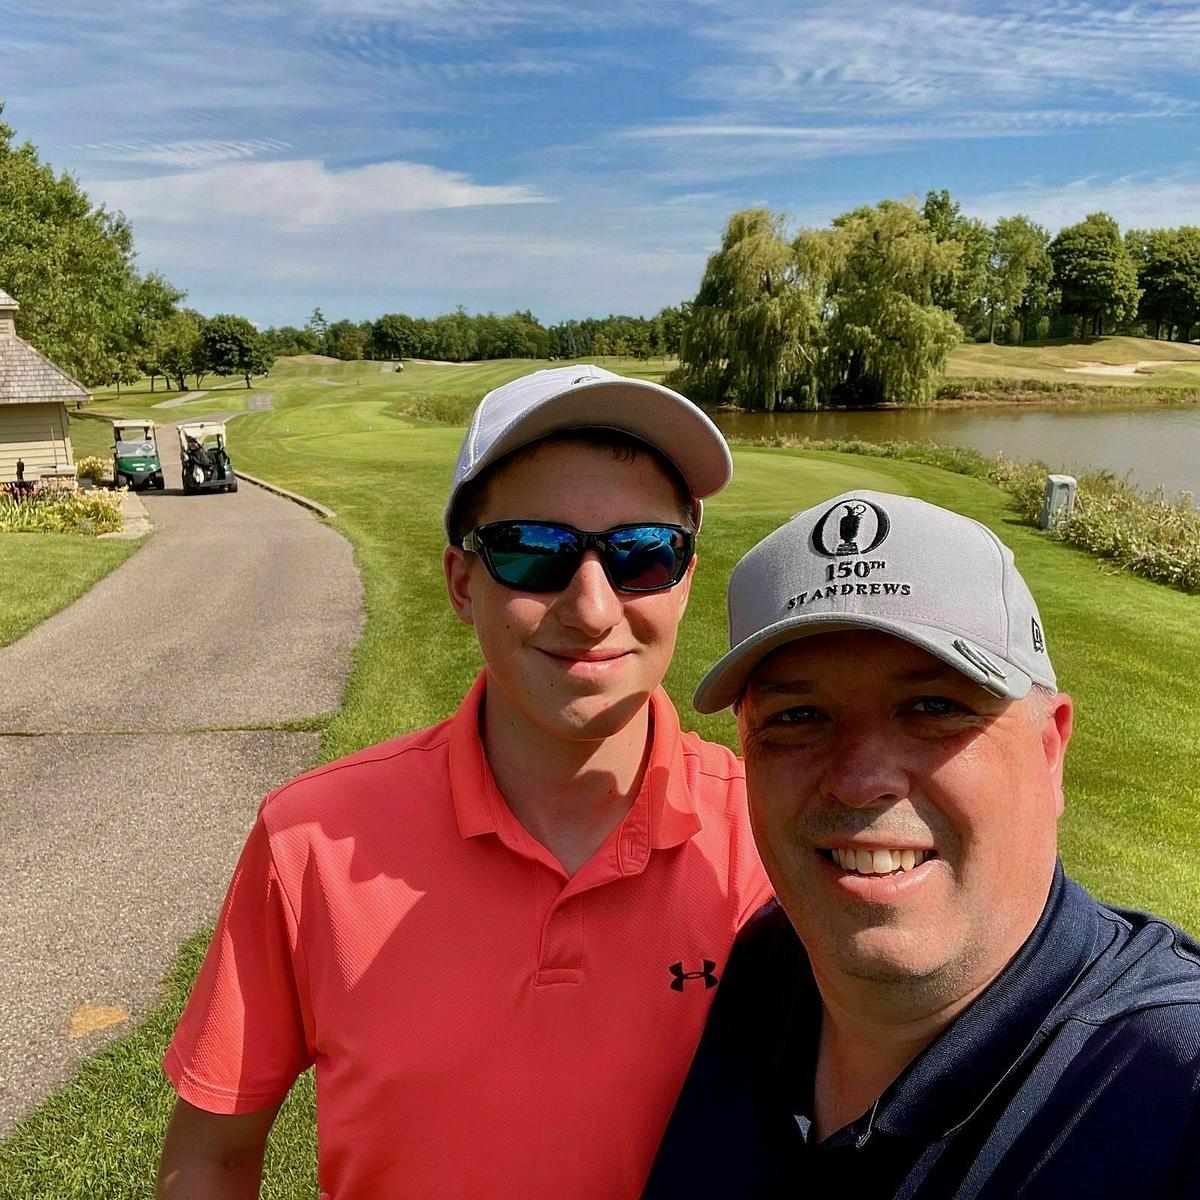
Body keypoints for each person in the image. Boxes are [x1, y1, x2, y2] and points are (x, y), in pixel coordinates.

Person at [157, 365, 771, 1199]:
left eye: (643, 553)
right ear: (460, 583)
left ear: (685, 578)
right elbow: (213, 1155)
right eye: (534, 552)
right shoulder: (308, 841)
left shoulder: (770, 835)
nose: (593, 608)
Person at [646, 490, 1200, 1199]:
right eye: (799, 715)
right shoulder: (760, 968)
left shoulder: (1168, 1087)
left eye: (934, 707)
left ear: (1050, 749)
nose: (859, 782)